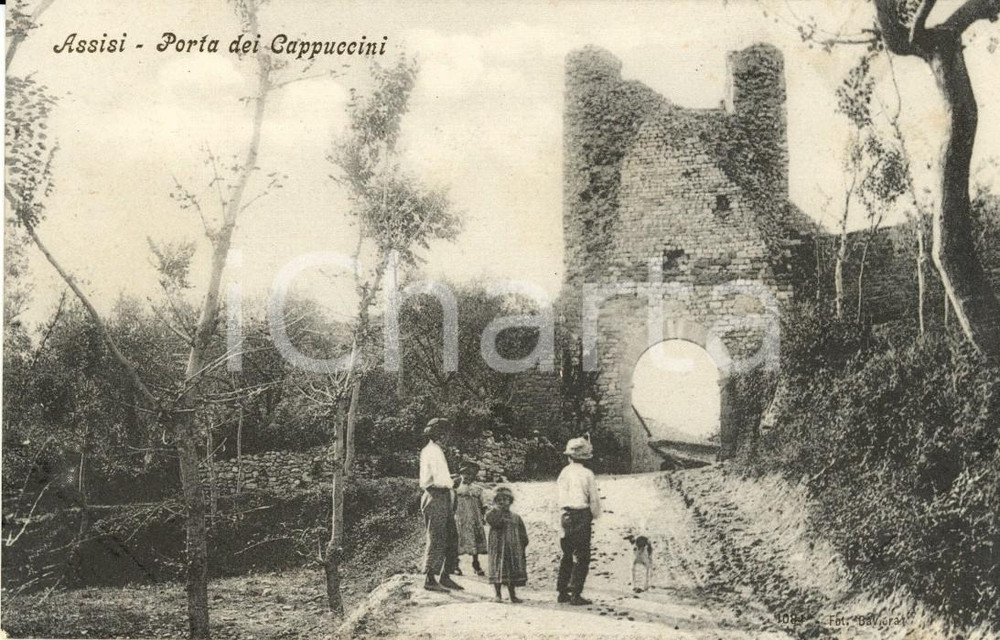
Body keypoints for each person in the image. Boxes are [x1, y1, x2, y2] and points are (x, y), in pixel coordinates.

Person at [419, 418, 463, 593]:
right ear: (438, 434)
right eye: (445, 433)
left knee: (452, 537)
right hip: (435, 496)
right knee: (437, 537)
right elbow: (439, 479)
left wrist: (449, 481)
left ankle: (446, 575)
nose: (447, 437)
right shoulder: (433, 452)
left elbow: (441, 476)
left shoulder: (434, 450)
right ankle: (430, 577)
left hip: (441, 496)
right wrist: (454, 482)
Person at [556, 436, 601, 605]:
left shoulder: (564, 473)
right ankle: (575, 593)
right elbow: (593, 499)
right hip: (581, 515)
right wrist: (594, 514)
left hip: (566, 515)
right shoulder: (587, 474)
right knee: (582, 555)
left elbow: (560, 496)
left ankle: (562, 592)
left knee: (567, 553)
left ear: (569, 457)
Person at [485, 486, 528, 603]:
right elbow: (491, 520)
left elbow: (522, 533)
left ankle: (512, 595)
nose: (502, 501)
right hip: (498, 548)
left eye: (505, 499)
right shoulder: (493, 514)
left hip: (512, 549)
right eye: (498, 499)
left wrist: (523, 544)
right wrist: (496, 510)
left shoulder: (516, 517)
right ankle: (497, 595)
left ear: (510, 501)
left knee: (512, 570)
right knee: (498, 569)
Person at [453, 462, 487, 576]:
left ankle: (476, 564)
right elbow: (451, 503)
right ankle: (455, 564)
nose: (467, 476)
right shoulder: (455, 489)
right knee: (458, 538)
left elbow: (484, 504)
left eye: (470, 474)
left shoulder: (477, 489)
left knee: (475, 539)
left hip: (474, 518)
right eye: (464, 474)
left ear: (474, 476)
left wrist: (484, 515)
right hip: (460, 518)